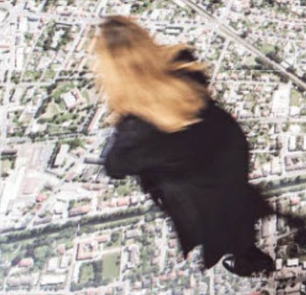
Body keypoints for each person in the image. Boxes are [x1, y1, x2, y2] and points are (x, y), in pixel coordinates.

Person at [94, 16, 276, 277]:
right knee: (236, 205)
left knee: (219, 222)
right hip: (226, 146)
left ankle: (250, 260)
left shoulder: (135, 129)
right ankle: (248, 252)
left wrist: (119, 120)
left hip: (197, 182)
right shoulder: (181, 59)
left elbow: (115, 166)